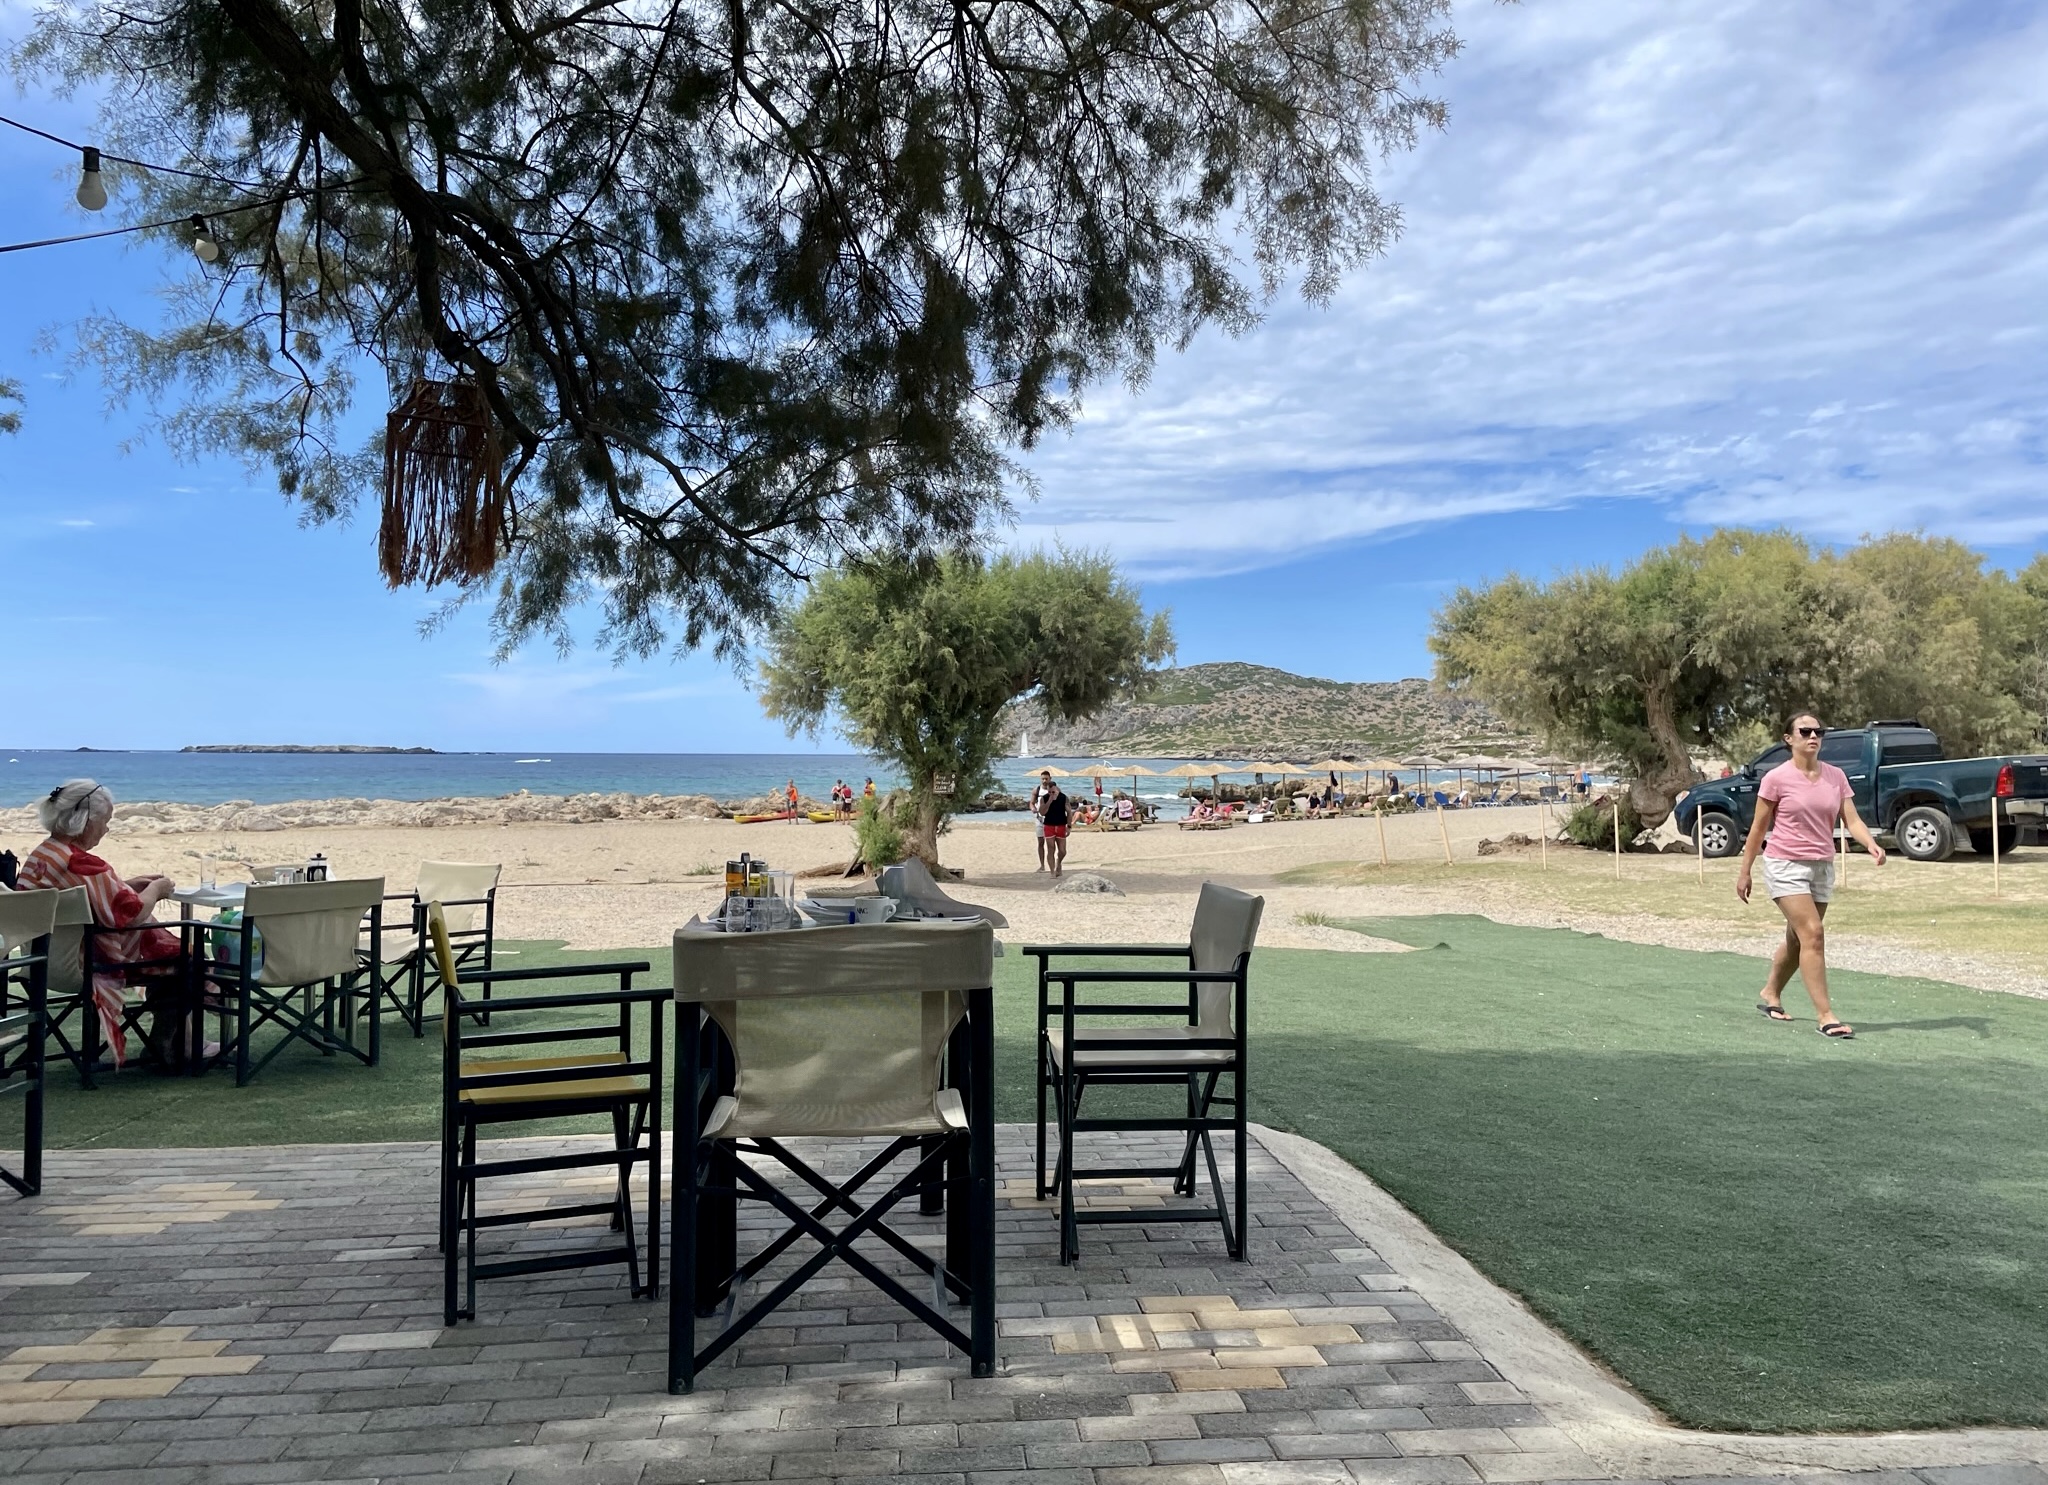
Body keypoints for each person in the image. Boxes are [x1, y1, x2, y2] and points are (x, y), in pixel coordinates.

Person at [1736, 711, 1886, 1039]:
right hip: (1785, 865)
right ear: (1789, 738)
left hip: (1821, 866)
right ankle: (1826, 1016)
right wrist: (1744, 871)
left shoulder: (1836, 776)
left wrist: (1871, 844)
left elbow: (1852, 819)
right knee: (1813, 934)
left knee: (1798, 938)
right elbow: (1758, 828)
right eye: (1805, 732)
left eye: (1819, 731)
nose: (1813, 736)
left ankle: (1771, 992)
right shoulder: (1776, 778)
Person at [14, 779, 184, 1067]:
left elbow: (81, 897)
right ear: (86, 821)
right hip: (87, 966)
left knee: (173, 954)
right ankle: (167, 1045)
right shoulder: (82, 862)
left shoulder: (43, 855)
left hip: (40, 962)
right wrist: (157, 890)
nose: (106, 829)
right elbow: (132, 914)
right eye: (105, 821)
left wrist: (127, 885)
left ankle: (177, 1043)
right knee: (186, 958)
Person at [1040, 777, 1071, 876]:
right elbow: (1042, 812)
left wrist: (1069, 826)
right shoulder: (1044, 798)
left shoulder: (1063, 798)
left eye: (1053, 792)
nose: (1051, 793)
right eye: (1049, 792)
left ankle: (1058, 863)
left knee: (1062, 851)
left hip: (1061, 825)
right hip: (1049, 825)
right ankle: (1052, 872)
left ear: (1056, 789)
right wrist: (1049, 801)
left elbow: (1069, 812)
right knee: (1051, 848)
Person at [1030, 770, 1054, 871]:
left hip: (1051, 819)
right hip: (1039, 819)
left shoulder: (1053, 790)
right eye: (1043, 779)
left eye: (1046, 779)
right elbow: (1031, 803)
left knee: (1051, 843)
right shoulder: (1037, 790)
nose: (1044, 781)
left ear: (1050, 779)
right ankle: (1042, 865)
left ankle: (1052, 865)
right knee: (1040, 842)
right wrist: (1033, 809)